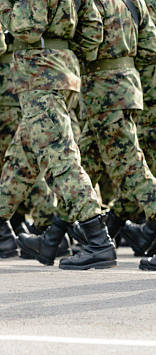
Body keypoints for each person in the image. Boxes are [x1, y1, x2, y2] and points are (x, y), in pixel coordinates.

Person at [75, 0, 156, 271]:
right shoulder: (134, 1)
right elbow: (151, 48)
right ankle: (60, 233)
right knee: (87, 161)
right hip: (127, 86)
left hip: (104, 90)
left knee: (130, 167)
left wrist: (91, 60)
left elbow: (89, 40)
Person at [0, 0, 117, 270]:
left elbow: (26, 28)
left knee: (60, 159)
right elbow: (92, 31)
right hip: (61, 72)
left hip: (39, 75)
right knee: (21, 159)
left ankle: (99, 241)